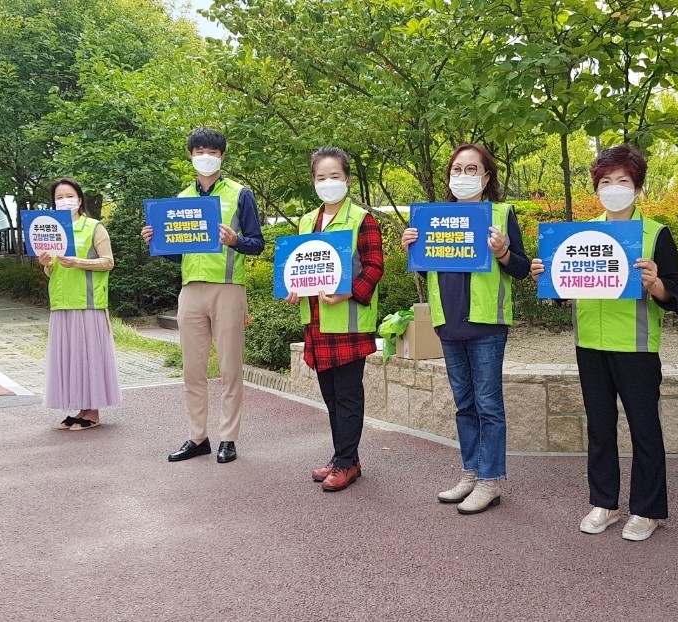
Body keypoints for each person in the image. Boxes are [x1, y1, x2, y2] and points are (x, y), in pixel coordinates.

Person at [529, 145, 678, 541]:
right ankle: (605, 503)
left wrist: (655, 284)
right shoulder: (581, 234)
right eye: (607, 181)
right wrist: (545, 277)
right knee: (599, 427)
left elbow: (677, 296)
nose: (614, 188)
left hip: (636, 346)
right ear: (597, 187)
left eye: (624, 181)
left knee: (644, 429)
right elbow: (562, 293)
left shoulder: (655, 234)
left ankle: (647, 510)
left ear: (638, 187)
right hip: (591, 344)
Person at [400, 143, 531, 515]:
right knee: (464, 405)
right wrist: (411, 247)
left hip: (487, 323)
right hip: (448, 322)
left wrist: (503, 251)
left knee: (489, 404)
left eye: (472, 170)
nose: (463, 176)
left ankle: (490, 481)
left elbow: (520, 268)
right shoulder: (433, 218)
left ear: (487, 177)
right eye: (457, 169)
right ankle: (470, 473)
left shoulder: (502, 214)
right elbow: (428, 268)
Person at [142, 128, 264, 463]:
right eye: (199, 151)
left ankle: (228, 437)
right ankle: (198, 437)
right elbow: (177, 253)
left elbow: (257, 243)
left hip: (228, 289)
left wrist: (235, 242)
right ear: (191, 156)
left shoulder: (240, 194)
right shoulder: (180, 200)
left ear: (222, 156)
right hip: (190, 291)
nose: (206, 156)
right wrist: (155, 240)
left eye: (212, 151)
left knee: (230, 367)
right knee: (192, 369)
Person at [286, 147, 384, 492]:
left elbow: (374, 267)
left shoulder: (362, 219)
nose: (328, 183)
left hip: (349, 323)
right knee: (330, 395)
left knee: (347, 395)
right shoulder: (306, 221)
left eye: (334, 176)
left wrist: (348, 292)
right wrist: (293, 285)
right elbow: (301, 265)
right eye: (321, 177)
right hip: (316, 320)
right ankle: (345, 455)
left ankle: (346, 463)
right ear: (313, 181)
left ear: (348, 179)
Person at [39, 178, 121, 431]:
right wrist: (46, 264)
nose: (65, 201)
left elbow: (108, 262)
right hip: (61, 303)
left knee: (89, 357)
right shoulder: (50, 230)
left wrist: (78, 262)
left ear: (80, 199)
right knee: (71, 358)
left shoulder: (94, 227)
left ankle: (92, 412)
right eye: (59, 197)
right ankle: (80, 408)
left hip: (88, 303)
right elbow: (50, 272)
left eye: (69, 195)